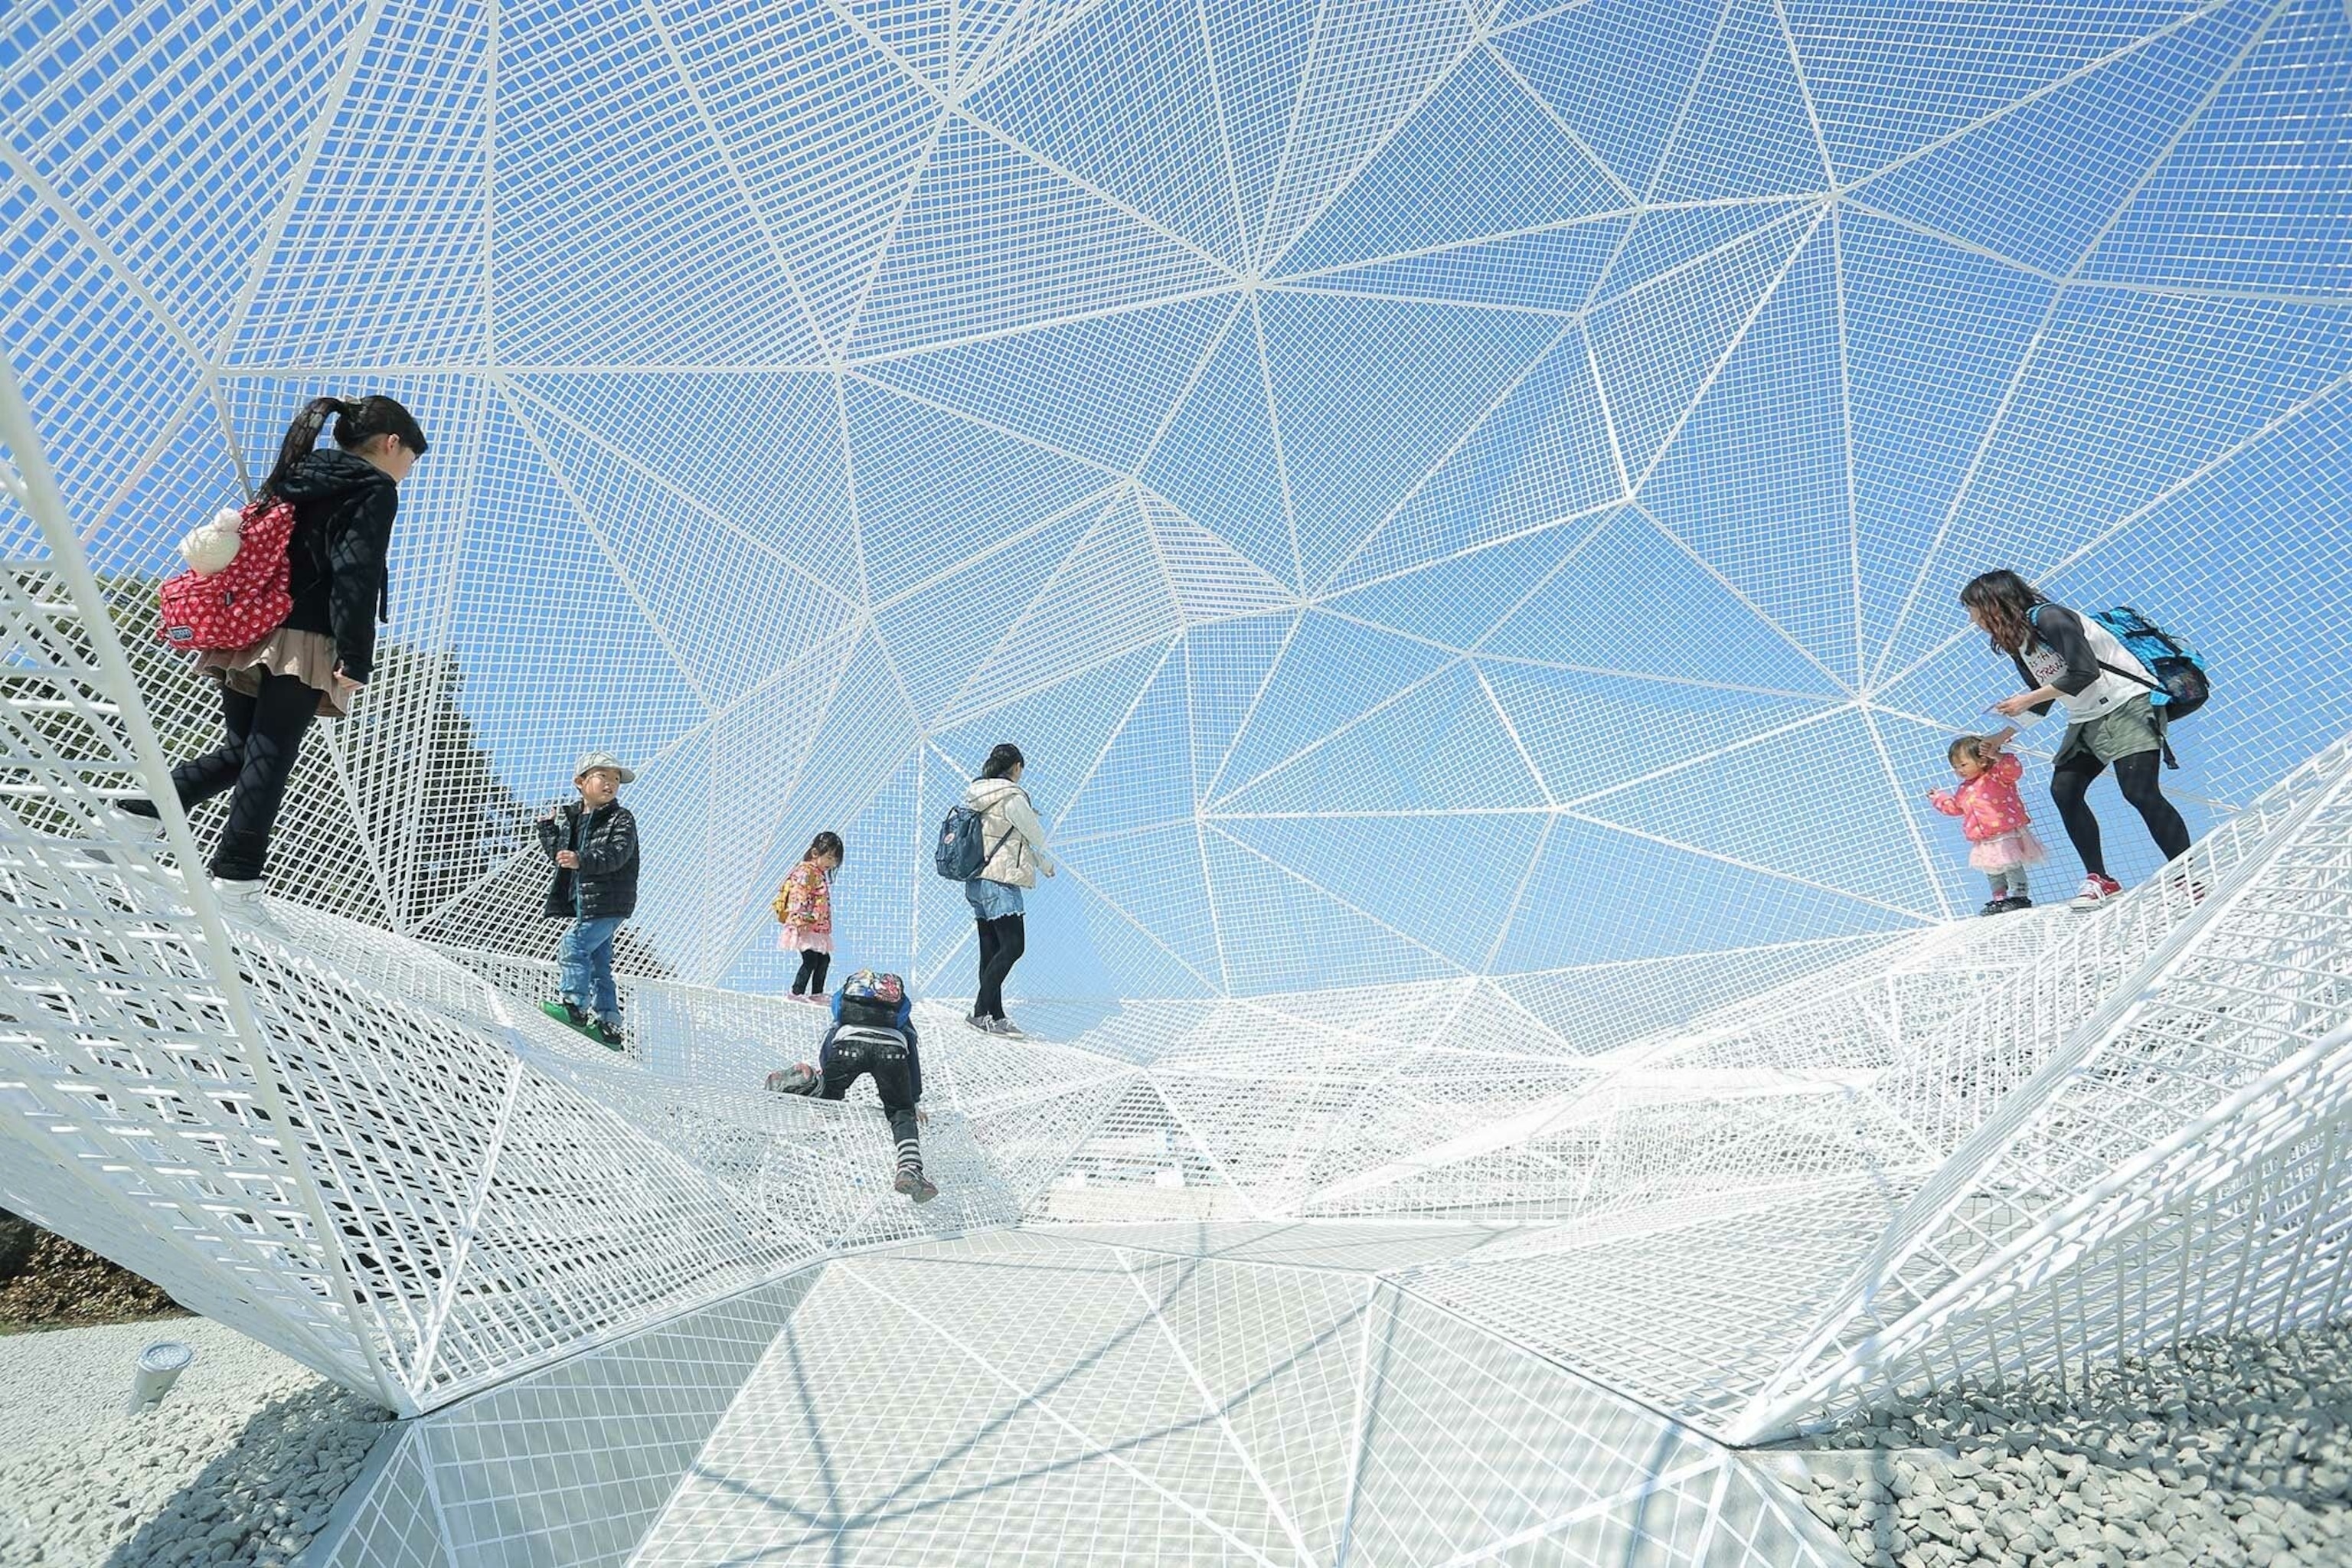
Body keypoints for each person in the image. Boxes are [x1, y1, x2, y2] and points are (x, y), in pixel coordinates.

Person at [118, 395, 428, 915]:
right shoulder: (373, 488)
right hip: (303, 637)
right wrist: (355, 657)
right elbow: (356, 572)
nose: (407, 473)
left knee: (247, 753)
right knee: (271, 754)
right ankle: (237, 881)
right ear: (392, 444)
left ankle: (139, 816)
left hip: (250, 627)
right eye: (410, 462)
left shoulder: (297, 472)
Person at [1962, 570, 2193, 910]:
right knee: (2065, 791)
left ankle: (2188, 875)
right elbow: (2042, 697)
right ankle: (2101, 878)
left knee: (2139, 791)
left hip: (2128, 703)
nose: (1972, 618)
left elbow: (2085, 672)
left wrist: (2025, 700)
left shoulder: (2051, 617)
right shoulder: (2019, 642)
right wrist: (2002, 735)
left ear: (1993, 602)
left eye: (1973, 608)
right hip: (2087, 717)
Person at [766, 970, 935, 1202]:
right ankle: (909, 1167)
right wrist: (913, 1100)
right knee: (900, 1112)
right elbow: (912, 1052)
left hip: (848, 1043)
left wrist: (824, 1074)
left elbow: (831, 1036)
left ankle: (810, 1082)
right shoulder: (898, 1015)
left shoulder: (849, 1005)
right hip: (892, 1050)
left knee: (831, 1092)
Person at [537, 753, 640, 1047]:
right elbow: (561, 856)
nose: (611, 783)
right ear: (580, 782)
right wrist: (547, 830)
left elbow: (617, 854)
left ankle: (574, 1007)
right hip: (587, 902)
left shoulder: (621, 818)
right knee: (598, 964)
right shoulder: (573, 818)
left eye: (616, 779)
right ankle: (609, 1026)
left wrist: (581, 859)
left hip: (609, 901)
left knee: (574, 944)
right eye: (603, 776)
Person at [962, 743, 1054, 1039]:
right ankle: (979, 1011)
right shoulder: (1012, 796)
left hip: (977, 879)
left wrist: (1038, 862)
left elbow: (1011, 838)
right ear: (1016, 767)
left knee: (990, 952)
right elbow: (1034, 833)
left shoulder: (979, 793)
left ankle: (996, 1015)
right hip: (1001, 880)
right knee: (1014, 946)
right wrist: (1045, 859)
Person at [1927, 730, 2046, 915]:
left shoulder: (1996, 777)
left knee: (2011, 862)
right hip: (1983, 837)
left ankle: (2020, 895)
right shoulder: (1964, 789)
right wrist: (1938, 798)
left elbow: (2012, 769)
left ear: (1982, 761)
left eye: (1963, 764)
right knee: (1992, 868)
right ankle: (2000, 898)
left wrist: (1997, 755)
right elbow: (1955, 808)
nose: (1959, 770)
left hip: (2004, 831)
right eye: (1955, 767)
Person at [775, 831, 842, 1000]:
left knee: (823, 959)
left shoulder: (818, 874)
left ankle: (817, 993)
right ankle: (796, 992)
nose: (832, 863)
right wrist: (801, 918)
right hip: (806, 924)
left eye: (835, 860)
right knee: (811, 959)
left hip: (817, 927)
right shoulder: (806, 871)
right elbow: (800, 894)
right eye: (829, 857)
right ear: (815, 853)